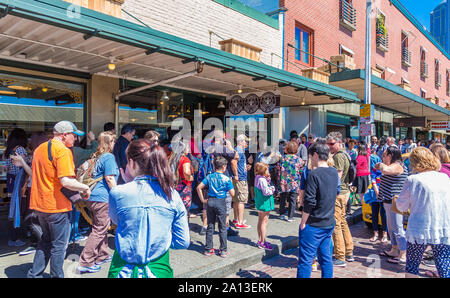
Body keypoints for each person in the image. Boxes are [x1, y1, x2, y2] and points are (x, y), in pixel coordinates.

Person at [108, 139, 190, 278]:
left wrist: (128, 184)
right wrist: (161, 241)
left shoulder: (118, 193)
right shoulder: (172, 195)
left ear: (132, 163)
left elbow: (116, 220)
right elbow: (183, 241)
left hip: (121, 270)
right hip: (159, 270)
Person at [27, 121, 91, 278]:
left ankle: (34, 274)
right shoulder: (62, 151)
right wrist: (85, 187)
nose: (75, 139)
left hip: (40, 204)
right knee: (59, 246)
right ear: (64, 135)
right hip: (57, 206)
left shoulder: (40, 149)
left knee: (45, 241)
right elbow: (66, 181)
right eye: (73, 135)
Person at [396, 147, 450, 278]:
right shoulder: (444, 177)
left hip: (419, 229)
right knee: (444, 265)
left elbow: (401, 206)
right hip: (443, 227)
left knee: (412, 266)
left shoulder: (413, 180)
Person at [297, 140, 340, 278]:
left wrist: (303, 221)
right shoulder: (333, 172)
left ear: (315, 155)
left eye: (310, 157)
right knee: (326, 258)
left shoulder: (313, 175)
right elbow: (336, 192)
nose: (310, 160)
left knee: (305, 261)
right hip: (328, 221)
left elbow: (309, 202)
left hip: (313, 224)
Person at [77, 131, 118, 274]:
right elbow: (110, 178)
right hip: (103, 198)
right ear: (109, 143)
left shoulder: (97, 156)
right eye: (113, 141)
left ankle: (102, 254)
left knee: (100, 226)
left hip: (92, 197)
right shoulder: (109, 157)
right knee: (100, 229)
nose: (114, 144)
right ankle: (85, 262)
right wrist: (118, 196)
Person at [10, 132, 49, 256]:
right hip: (33, 189)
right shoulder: (38, 154)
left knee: (30, 219)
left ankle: (44, 243)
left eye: (32, 139)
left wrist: (23, 162)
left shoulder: (41, 155)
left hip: (37, 190)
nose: (29, 141)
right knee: (33, 219)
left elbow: (33, 174)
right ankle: (36, 243)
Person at [197, 156, 235, 258]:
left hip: (210, 201)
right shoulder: (226, 179)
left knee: (210, 225)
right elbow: (233, 193)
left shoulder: (210, 177)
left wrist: (202, 200)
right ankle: (223, 250)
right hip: (220, 202)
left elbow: (199, 187)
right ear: (223, 167)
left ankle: (208, 248)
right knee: (222, 226)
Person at [376, 146, 409, 265]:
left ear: (390, 156)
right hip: (388, 201)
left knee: (398, 228)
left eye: (384, 155)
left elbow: (385, 170)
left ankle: (403, 254)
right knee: (391, 228)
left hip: (395, 202)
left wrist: (379, 164)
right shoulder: (392, 166)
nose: (383, 157)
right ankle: (394, 249)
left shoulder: (398, 166)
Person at [327, 131, 354, 267]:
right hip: (345, 192)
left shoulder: (338, 157)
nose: (329, 146)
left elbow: (336, 178)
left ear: (339, 142)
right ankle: (348, 251)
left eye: (332, 144)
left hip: (338, 194)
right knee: (342, 222)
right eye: (328, 144)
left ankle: (340, 256)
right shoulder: (346, 154)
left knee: (336, 224)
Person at [3, 128, 28, 247]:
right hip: (19, 181)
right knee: (19, 209)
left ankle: (14, 236)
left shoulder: (8, 150)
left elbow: (6, 167)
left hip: (10, 180)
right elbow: (23, 166)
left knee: (13, 209)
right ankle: (15, 237)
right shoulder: (20, 149)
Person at [279, 141, 305, 222]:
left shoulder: (283, 158)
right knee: (293, 199)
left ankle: (282, 214)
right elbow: (301, 170)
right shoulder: (299, 160)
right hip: (294, 181)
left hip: (284, 180)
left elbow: (278, 167)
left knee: (283, 198)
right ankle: (290, 216)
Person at [169, 141, 194, 220]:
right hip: (184, 188)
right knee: (183, 212)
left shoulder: (171, 158)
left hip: (173, 186)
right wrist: (190, 177)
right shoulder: (185, 159)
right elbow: (186, 172)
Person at [254, 162, 275, 250]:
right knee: (264, 222)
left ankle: (261, 239)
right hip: (264, 203)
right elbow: (266, 192)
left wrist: (268, 179)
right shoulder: (262, 179)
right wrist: (272, 189)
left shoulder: (257, 178)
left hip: (259, 202)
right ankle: (262, 242)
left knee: (260, 221)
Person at [231, 134, 251, 229]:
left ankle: (236, 219)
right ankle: (240, 222)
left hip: (239, 177)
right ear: (241, 142)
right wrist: (236, 175)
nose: (247, 143)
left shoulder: (239, 150)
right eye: (245, 141)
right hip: (240, 179)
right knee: (241, 201)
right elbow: (233, 163)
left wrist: (244, 168)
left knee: (236, 199)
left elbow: (237, 163)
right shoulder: (238, 151)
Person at [368, 148, 388, 243]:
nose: (384, 158)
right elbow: (373, 179)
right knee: (374, 214)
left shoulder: (389, 168)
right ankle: (375, 233)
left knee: (384, 214)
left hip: (384, 194)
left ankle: (385, 234)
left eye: (386, 156)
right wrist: (377, 193)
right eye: (383, 156)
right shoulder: (376, 168)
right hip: (375, 194)